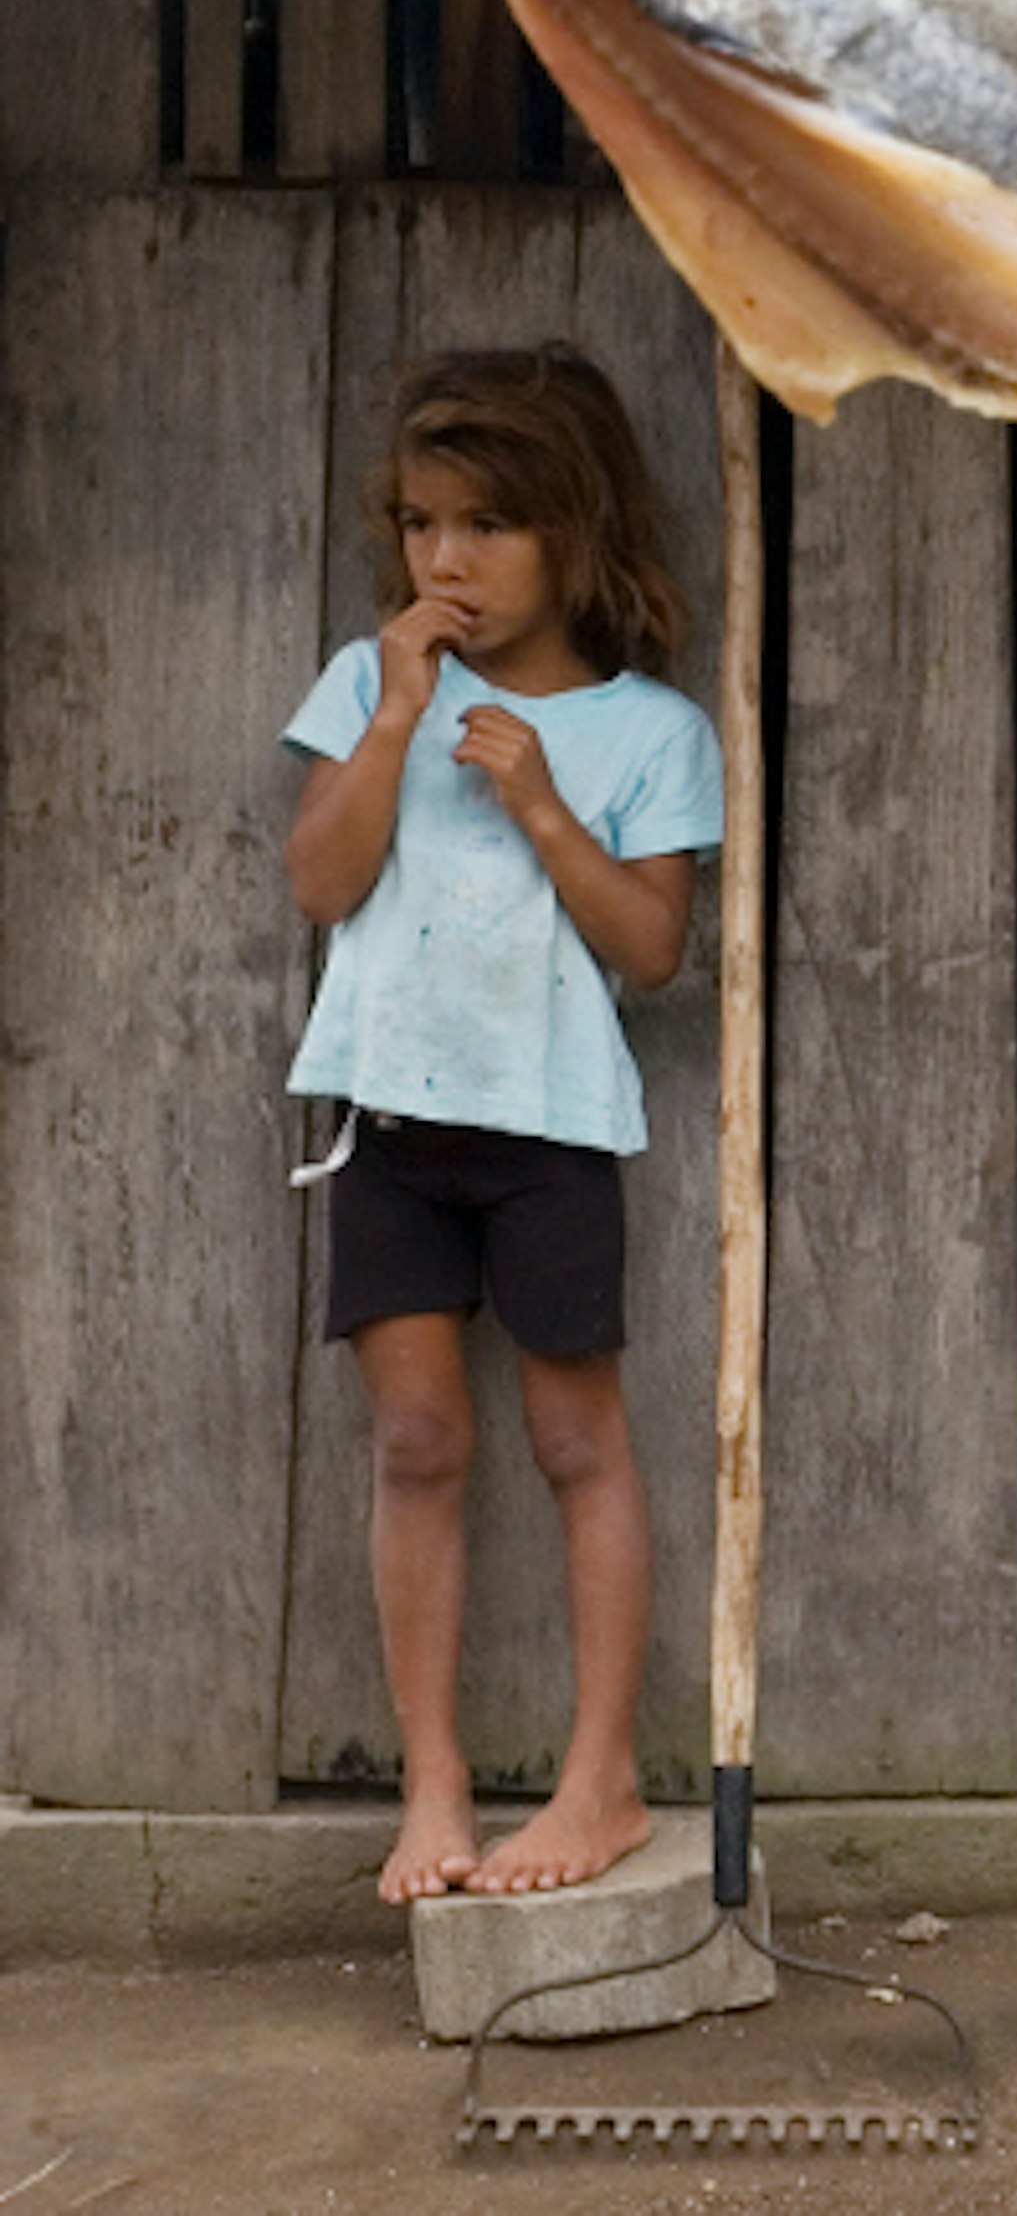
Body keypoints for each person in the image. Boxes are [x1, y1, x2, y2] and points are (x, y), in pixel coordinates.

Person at [281, 345, 722, 1906]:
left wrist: (541, 804)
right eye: (421, 523)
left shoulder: (650, 729)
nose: (447, 559)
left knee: (572, 1437)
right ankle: (436, 1784)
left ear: (574, 531)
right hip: (393, 1119)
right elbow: (322, 881)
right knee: (416, 1439)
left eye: (488, 524)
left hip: (547, 1129)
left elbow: (653, 949)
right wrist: (399, 717)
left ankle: (600, 1780)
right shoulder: (369, 680)